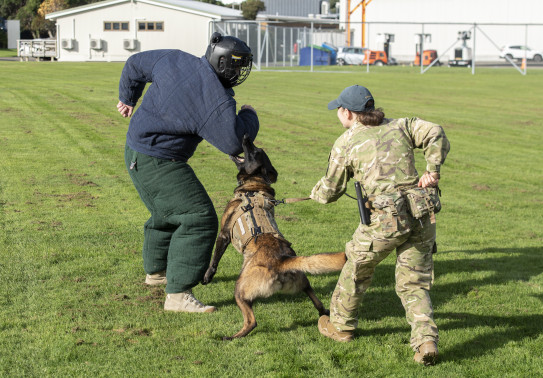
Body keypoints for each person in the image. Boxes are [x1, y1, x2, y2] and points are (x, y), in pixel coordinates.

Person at [116, 33, 259, 313]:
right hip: (158, 161)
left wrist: (128, 97)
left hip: (135, 151)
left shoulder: (174, 57)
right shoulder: (215, 99)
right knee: (197, 217)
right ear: (223, 64)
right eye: (237, 66)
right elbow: (233, 141)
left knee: (167, 212)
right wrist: (250, 115)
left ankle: (157, 273)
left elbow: (134, 64)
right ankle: (178, 295)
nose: (240, 72)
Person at [310, 85, 450, 366]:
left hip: (385, 220)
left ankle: (340, 326)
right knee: (414, 283)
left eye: (338, 110)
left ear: (347, 112)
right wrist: (431, 171)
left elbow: (330, 191)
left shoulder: (346, 142)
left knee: (357, 267)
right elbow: (435, 131)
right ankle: (425, 342)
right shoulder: (402, 125)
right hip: (421, 214)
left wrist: (315, 194)